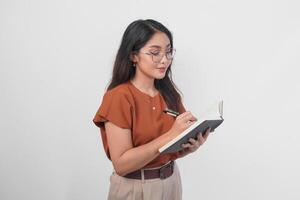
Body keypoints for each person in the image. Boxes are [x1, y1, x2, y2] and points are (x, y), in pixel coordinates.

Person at [93, 19, 211, 200]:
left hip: (171, 182)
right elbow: (122, 165)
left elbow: (168, 150)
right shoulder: (119, 97)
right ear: (133, 56)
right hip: (135, 189)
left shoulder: (170, 94)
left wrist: (189, 146)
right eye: (155, 53)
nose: (164, 60)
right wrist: (171, 135)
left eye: (168, 51)